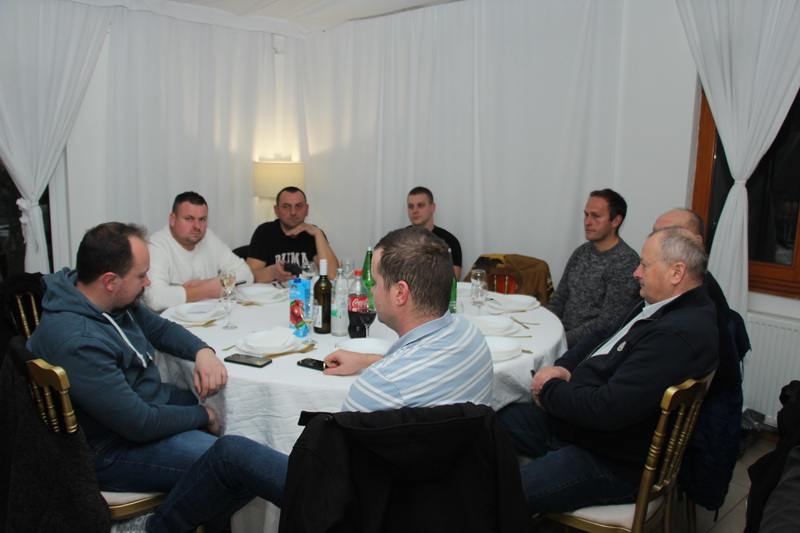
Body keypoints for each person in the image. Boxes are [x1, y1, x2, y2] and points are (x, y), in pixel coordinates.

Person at [27, 223, 286, 533]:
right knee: (237, 464)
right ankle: (155, 527)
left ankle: (203, 520)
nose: (148, 282)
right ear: (109, 280)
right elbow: (140, 423)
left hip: (142, 407)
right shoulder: (77, 341)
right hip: (109, 448)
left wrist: (203, 351)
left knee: (242, 422)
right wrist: (203, 415)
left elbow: (160, 329)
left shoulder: (103, 299)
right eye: (141, 276)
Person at [498, 227, 719, 515]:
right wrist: (563, 367)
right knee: (491, 421)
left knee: (503, 495)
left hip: (612, 461)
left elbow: (605, 409)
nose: (636, 273)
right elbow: (602, 334)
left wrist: (548, 390)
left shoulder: (676, 336)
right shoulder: (659, 305)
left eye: (645, 265)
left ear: (676, 273)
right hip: (584, 426)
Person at [323, 226, 492, 412]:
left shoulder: (376, 389)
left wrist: (379, 370)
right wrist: (367, 360)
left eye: (376, 283)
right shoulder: (472, 335)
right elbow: (427, 368)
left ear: (400, 293)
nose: (372, 290)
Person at [653, 208, 750, 512]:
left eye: (668, 234)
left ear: (694, 244)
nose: (659, 240)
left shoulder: (698, 301)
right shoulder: (679, 288)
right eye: (655, 233)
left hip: (696, 415)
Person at [546, 188, 640, 348]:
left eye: (596, 216)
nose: (587, 222)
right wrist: (546, 329)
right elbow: (560, 298)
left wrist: (560, 341)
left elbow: (607, 323)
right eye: (586, 215)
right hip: (561, 336)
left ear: (616, 221)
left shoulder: (625, 261)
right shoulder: (581, 252)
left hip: (588, 347)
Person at [143, 191, 253, 313]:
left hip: (213, 316)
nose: (197, 226)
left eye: (202, 219)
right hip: (173, 322)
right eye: (189, 219)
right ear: (172, 219)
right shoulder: (157, 245)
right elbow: (154, 298)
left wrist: (207, 283)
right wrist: (207, 289)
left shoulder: (208, 237)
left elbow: (247, 275)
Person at [246, 186, 339, 283]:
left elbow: (333, 276)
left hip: (305, 291)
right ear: (277, 210)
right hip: (274, 291)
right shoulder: (265, 232)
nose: (293, 212)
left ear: (306, 210)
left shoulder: (313, 234)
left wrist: (318, 233)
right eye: (286, 206)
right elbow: (249, 277)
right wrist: (273, 272)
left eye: (299, 206)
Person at [406, 186, 463, 279]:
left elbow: (453, 279)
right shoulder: (398, 239)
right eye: (410, 206)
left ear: (432, 208)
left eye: (420, 205)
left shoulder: (449, 241)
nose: (415, 211)